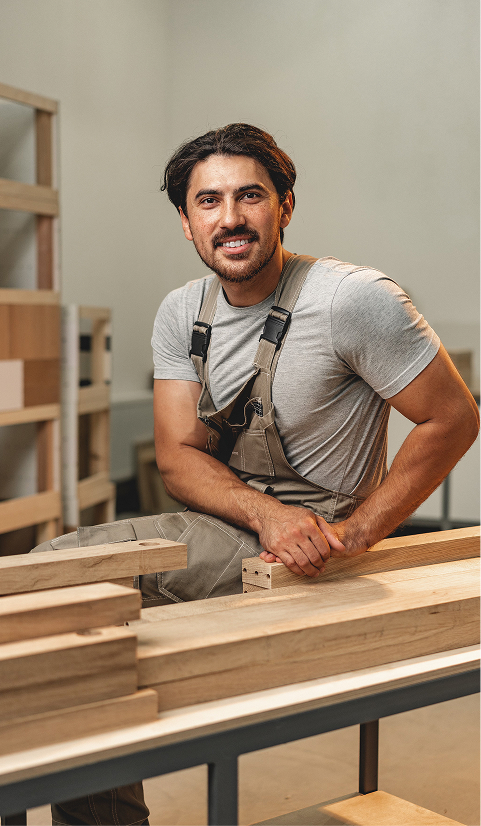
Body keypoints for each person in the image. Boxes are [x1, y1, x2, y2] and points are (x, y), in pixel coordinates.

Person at [43, 123, 479, 824]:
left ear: (284, 205)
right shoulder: (182, 312)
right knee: (60, 598)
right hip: (239, 520)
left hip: (308, 541)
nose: (231, 218)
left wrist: (358, 532)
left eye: (249, 196)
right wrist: (263, 513)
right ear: (185, 223)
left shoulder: (352, 299)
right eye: (208, 202)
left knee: (58, 576)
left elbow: (453, 418)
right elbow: (180, 454)